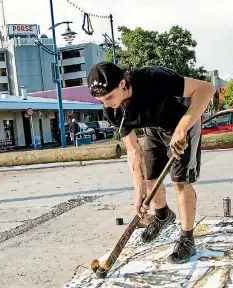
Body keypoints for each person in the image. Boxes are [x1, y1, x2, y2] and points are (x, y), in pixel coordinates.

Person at [87, 62, 214, 263]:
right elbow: (133, 153)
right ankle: (163, 215)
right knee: (151, 180)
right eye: (100, 100)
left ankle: (187, 239)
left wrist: (181, 130)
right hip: (154, 128)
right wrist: (139, 197)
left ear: (122, 83)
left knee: (180, 181)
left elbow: (206, 89)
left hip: (182, 121)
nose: (107, 104)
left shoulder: (153, 78)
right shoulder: (112, 112)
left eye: (109, 97)